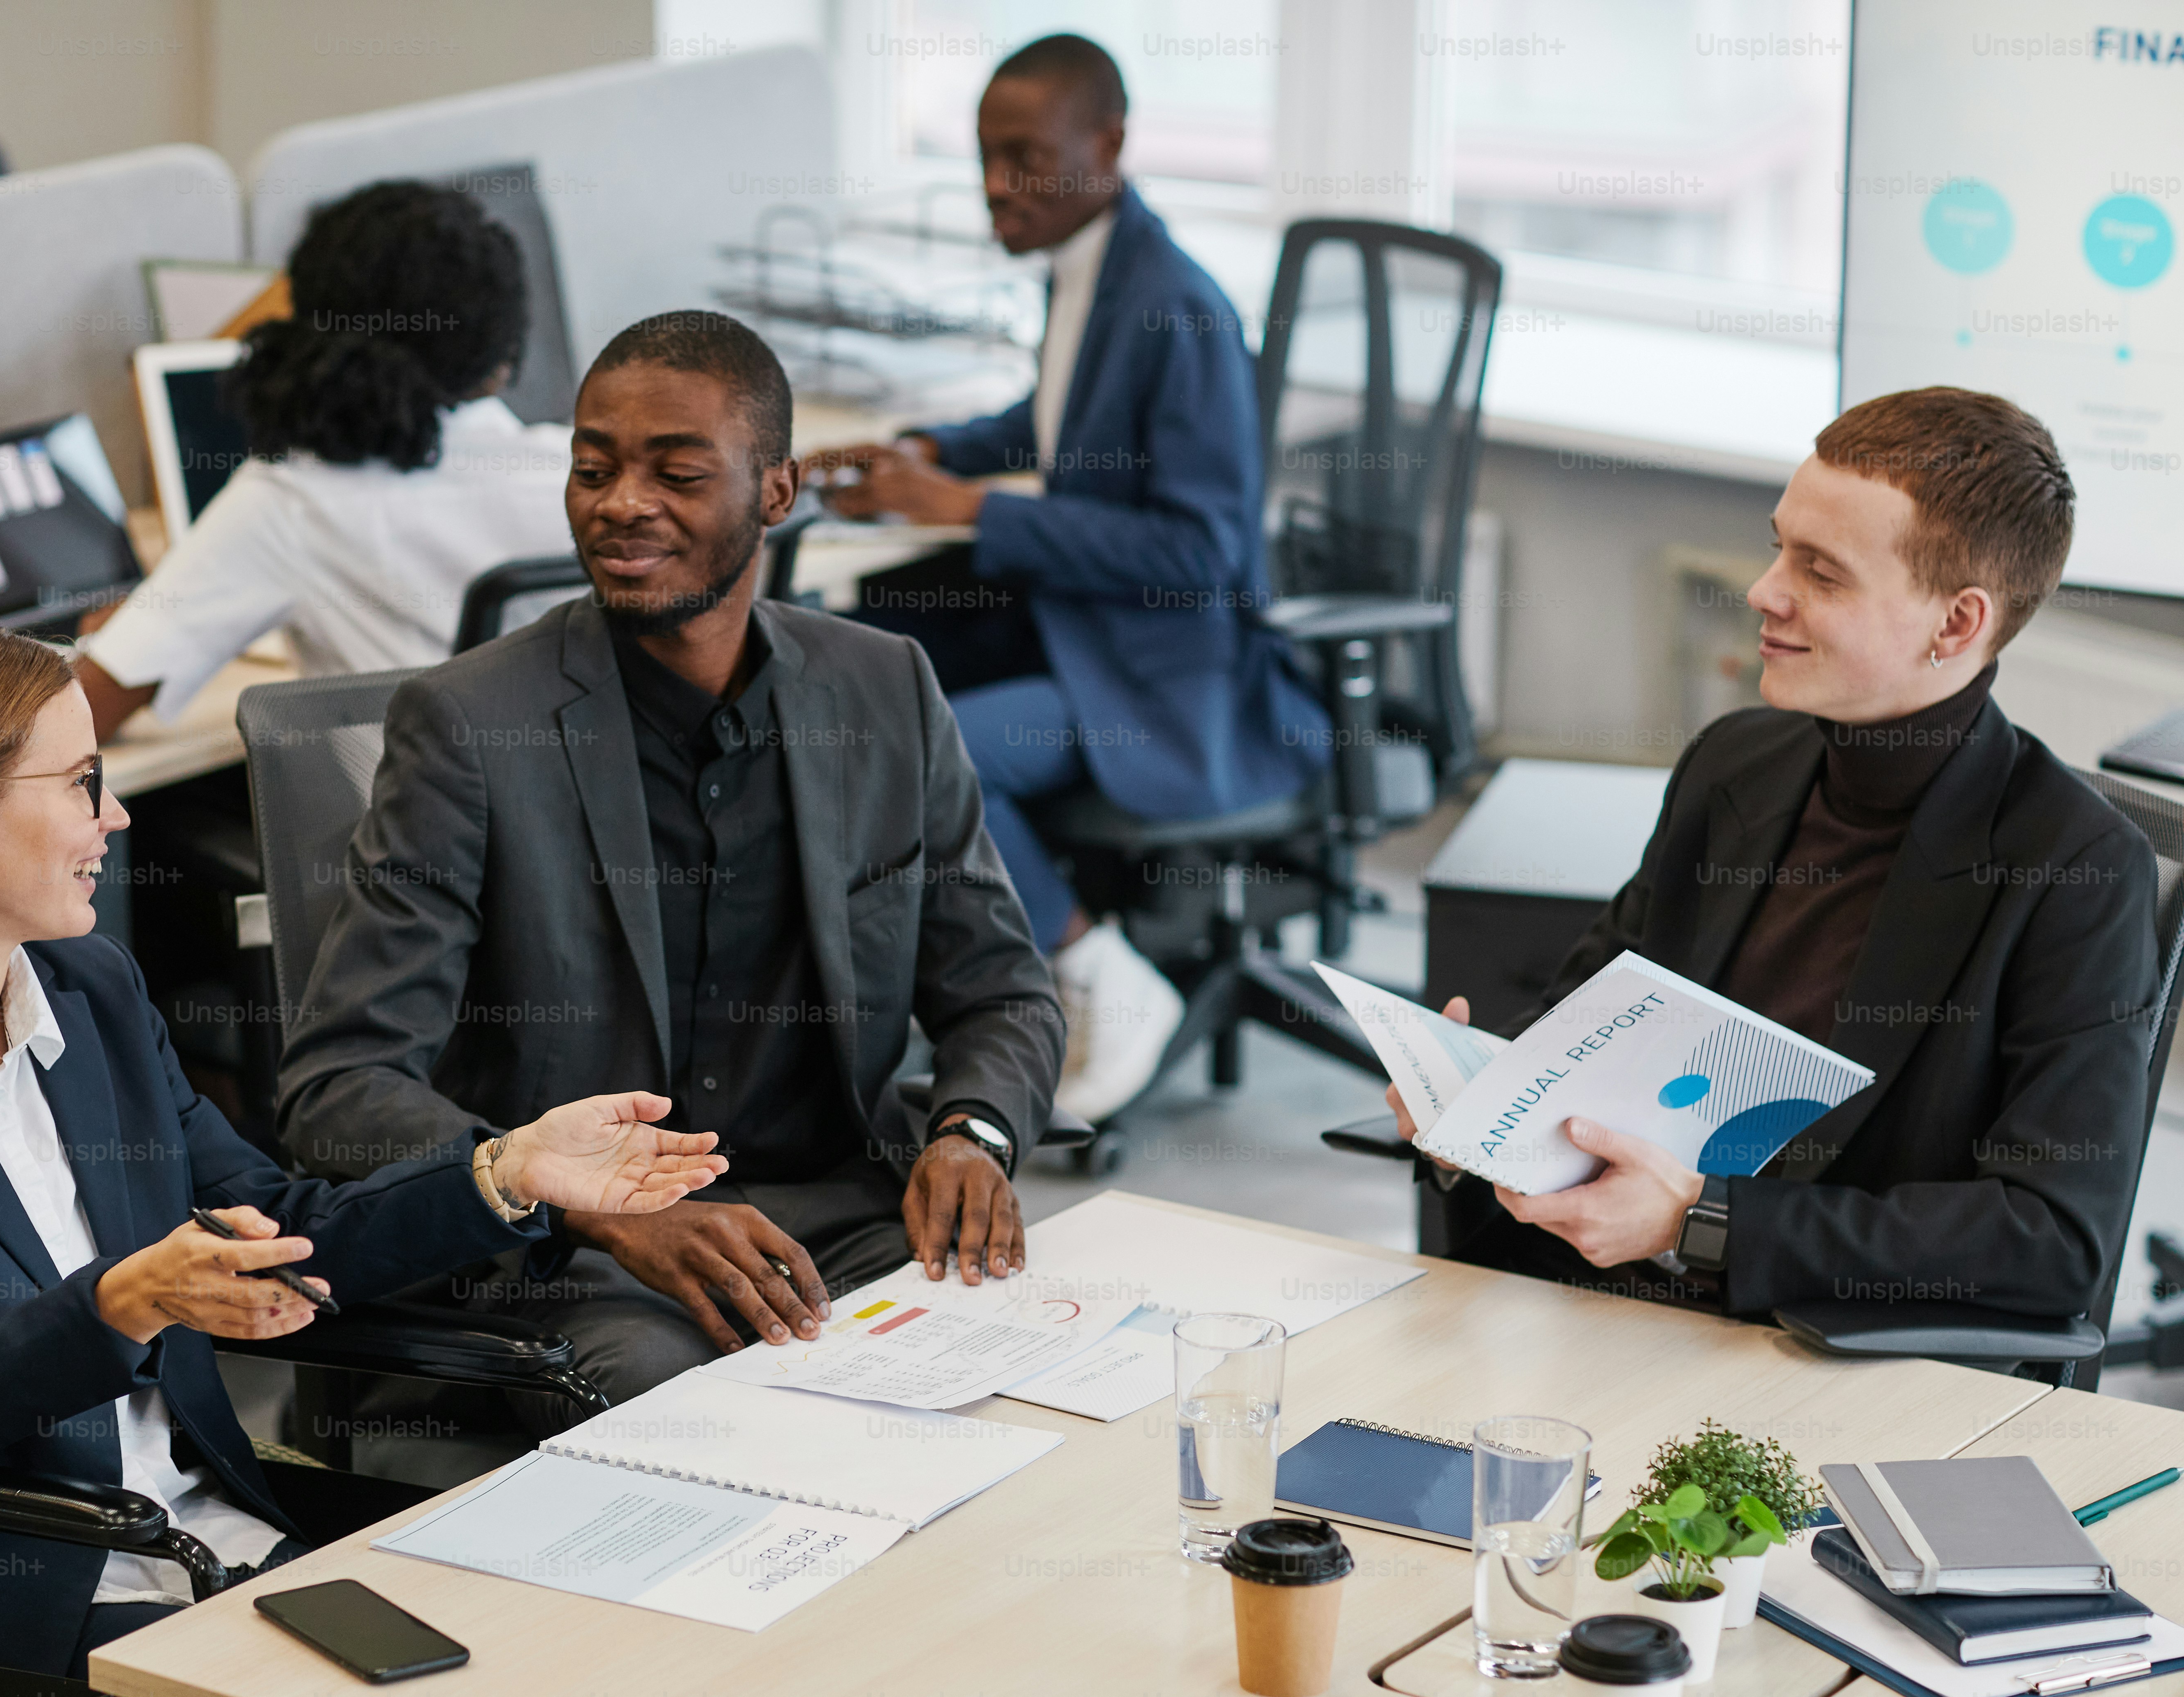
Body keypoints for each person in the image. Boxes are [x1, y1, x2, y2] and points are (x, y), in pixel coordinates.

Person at [0, 622, 728, 1676]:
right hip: (13, 1580)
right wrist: (131, 1296)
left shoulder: (92, 991)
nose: (118, 814)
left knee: (550, 1655)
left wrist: (503, 1171)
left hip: (201, 1526)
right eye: (83, 781)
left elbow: (277, 1224)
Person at [276, 310, 1064, 1420]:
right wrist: (589, 1199)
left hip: (839, 1219)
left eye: (677, 473)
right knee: (713, 1417)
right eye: (592, 469)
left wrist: (971, 1134)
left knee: (1026, 1386)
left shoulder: (885, 690)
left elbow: (1002, 989)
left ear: (776, 493)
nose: (620, 503)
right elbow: (339, 1091)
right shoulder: (469, 726)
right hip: (579, 1261)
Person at [1389, 387, 2155, 1323]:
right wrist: (1483, 1101)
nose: (1763, 590)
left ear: (1955, 625)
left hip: (1818, 1342)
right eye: (1779, 545)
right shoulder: (1737, 762)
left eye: (1821, 573)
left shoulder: (2075, 867)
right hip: (1605, 1307)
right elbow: (1590, 1023)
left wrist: (1700, 1221)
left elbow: (2053, 1237)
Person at [801, 34, 1327, 1122]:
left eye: (1028, 159)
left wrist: (978, 511)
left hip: (1162, 676)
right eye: (989, 157)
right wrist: (930, 454)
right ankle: (914, 990)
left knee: (943, 757)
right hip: (1085, 632)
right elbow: (1054, 430)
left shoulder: (1174, 306)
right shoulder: (1093, 267)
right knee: (851, 664)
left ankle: (1089, 970)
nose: (1000, 187)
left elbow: (1200, 553)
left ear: (1112, 143)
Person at [79, 180, 569, 738]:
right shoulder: (593, 478)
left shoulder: (296, 499)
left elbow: (77, 718)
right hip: (599, 822)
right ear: (503, 358)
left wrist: (132, 633)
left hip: (414, 823)